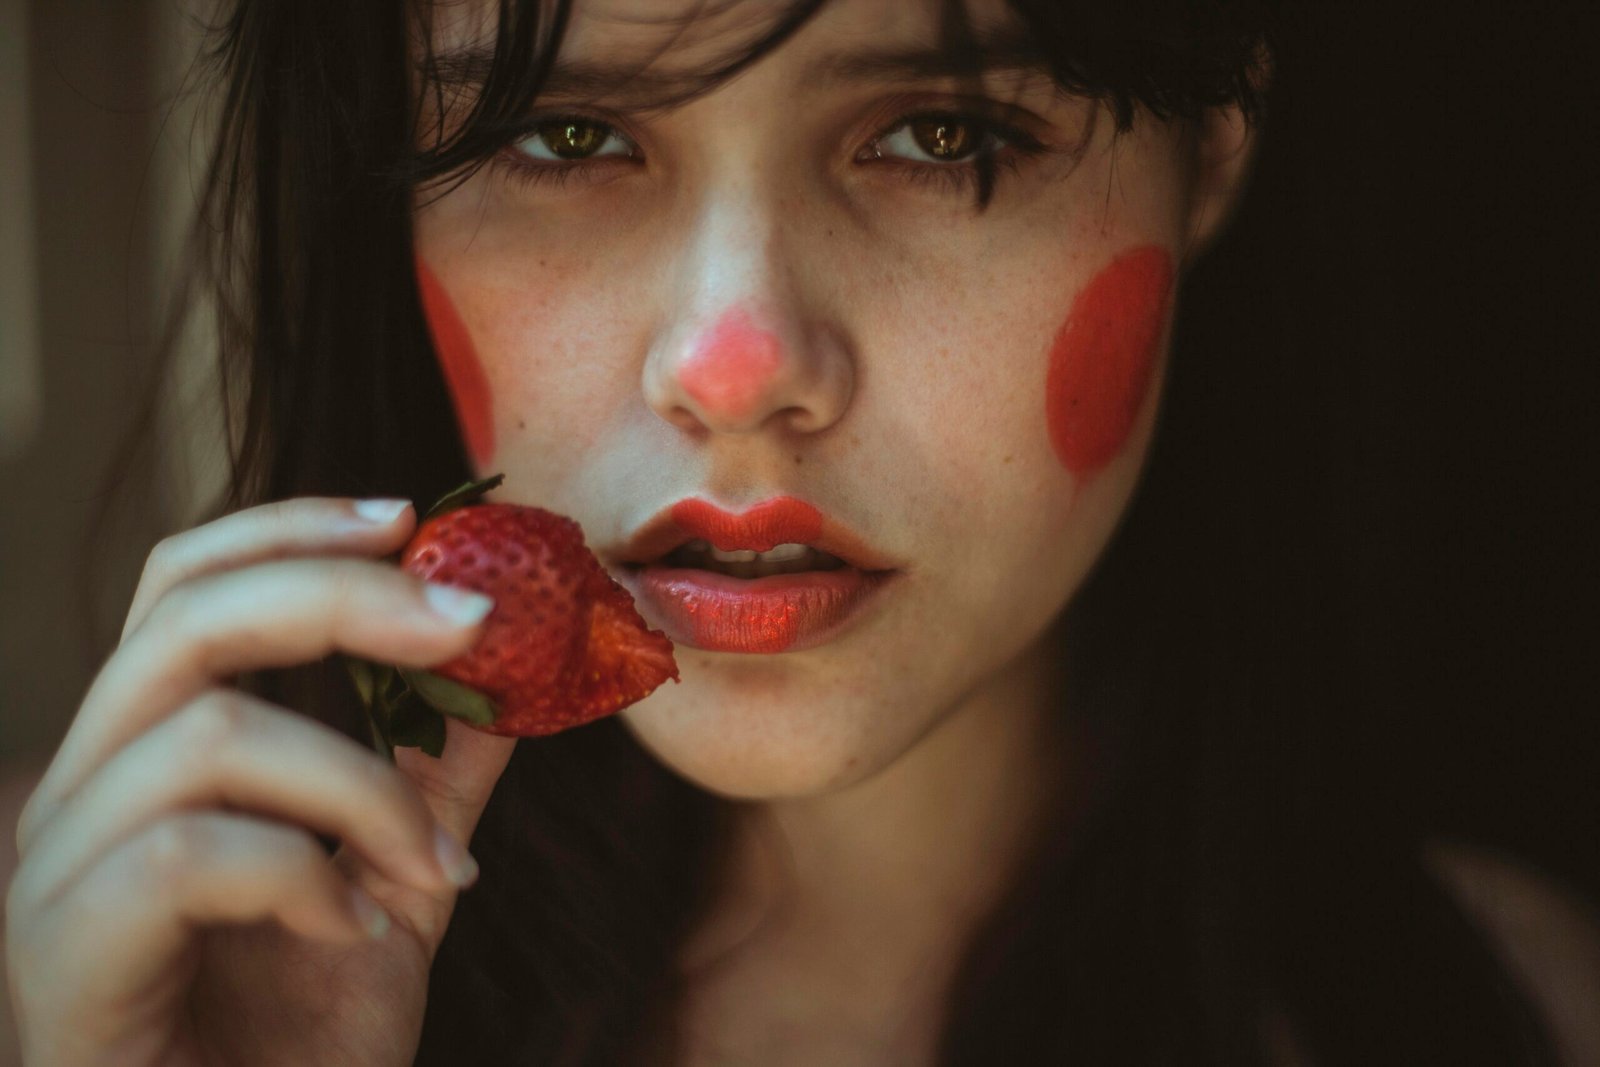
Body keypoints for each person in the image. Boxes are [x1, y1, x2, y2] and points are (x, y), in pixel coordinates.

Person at [4, 1, 1596, 1064]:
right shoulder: (121, 978)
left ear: (1214, 148)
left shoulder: (1514, 1011)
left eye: (944, 134)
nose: (737, 363)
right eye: (564, 136)